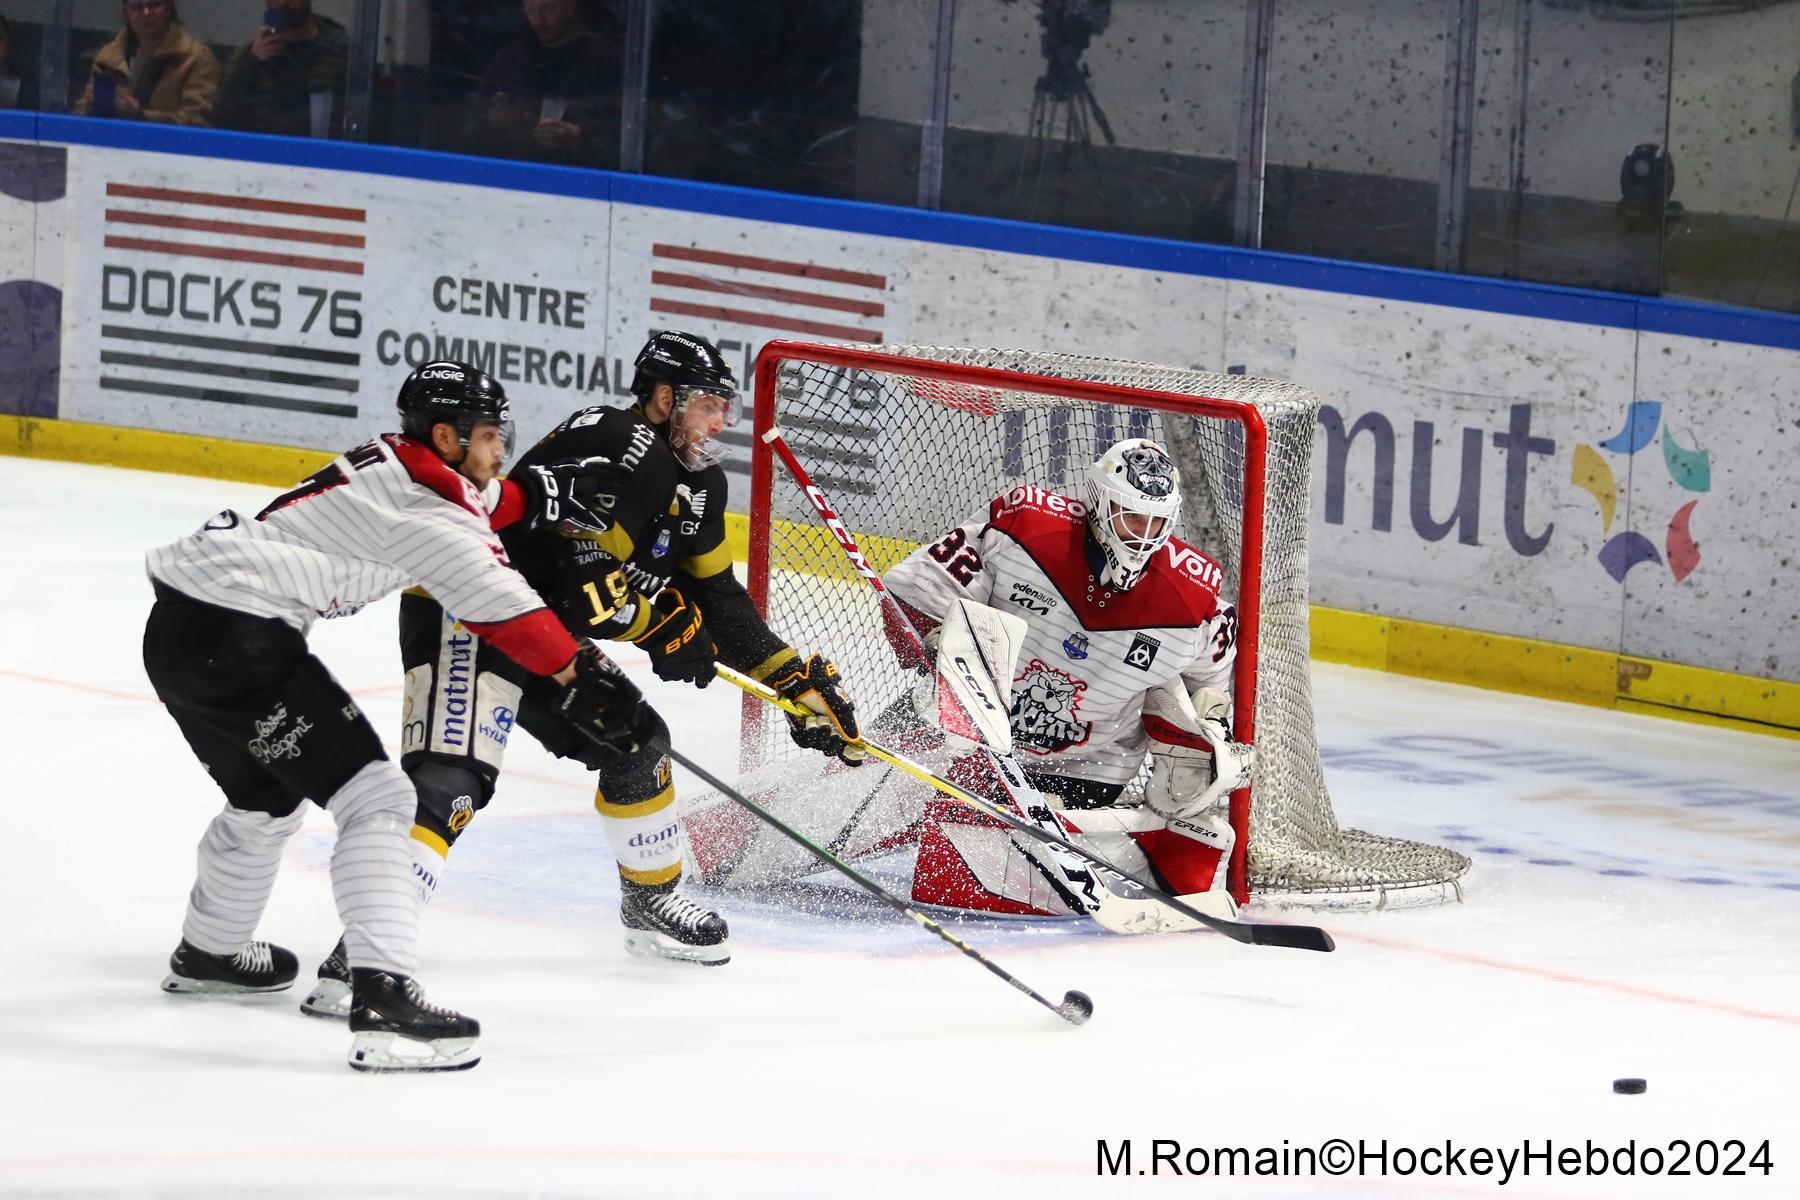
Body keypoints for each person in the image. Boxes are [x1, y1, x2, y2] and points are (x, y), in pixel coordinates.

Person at [298, 331, 863, 1017]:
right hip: (467, 607)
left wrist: (791, 680)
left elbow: (719, 604)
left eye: (726, 407)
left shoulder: (700, 485)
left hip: (540, 630)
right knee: (450, 783)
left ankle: (650, 897)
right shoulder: (614, 441)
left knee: (636, 742)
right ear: (664, 398)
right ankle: (365, 953)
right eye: (709, 405)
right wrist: (658, 627)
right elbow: (577, 581)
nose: (720, 423)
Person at [144, 360, 650, 1072]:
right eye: (486, 434)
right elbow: (510, 615)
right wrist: (590, 680)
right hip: (240, 636)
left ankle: (211, 949)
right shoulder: (430, 519)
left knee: (266, 794)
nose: (500, 445)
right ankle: (384, 996)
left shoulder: (389, 460)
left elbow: (474, 500)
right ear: (445, 436)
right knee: (381, 798)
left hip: (177, 631)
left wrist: (536, 496)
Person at [882, 437, 1253, 919]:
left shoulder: (1191, 599)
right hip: (967, 741)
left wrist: (1212, 725)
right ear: (1100, 504)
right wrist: (929, 641)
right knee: (848, 782)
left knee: (966, 850)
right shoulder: (1024, 535)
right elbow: (912, 590)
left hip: (1088, 768)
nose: (1144, 534)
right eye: (1132, 516)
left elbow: (1211, 684)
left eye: (1157, 521)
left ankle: (1127, 848)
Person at [463, 0, 621, 167]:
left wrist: (580, 133)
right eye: (530, 10)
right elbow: (470, 129)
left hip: (584, 178)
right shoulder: (509, 60)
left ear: (570, 6)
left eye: (548, 8)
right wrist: (492, 120)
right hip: (514, 174)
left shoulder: (605, 59)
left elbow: (628, 129)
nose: (539, 20)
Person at [212, 0, 346, 137]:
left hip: (326, 153)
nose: (283, 3)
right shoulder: (248, 58)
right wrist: (250, 62)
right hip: (261, 152)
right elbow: (220, 120)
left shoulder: (340, 53)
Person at [73, 0, 219, 125]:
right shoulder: (108, 57)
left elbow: (198, 121)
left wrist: (140, 116)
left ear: (168, 8)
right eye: (137, 6)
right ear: (126, 13)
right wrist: (91, 107)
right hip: (113, 148)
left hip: (171, 153)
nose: (146, 12)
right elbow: (79, 114)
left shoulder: (196, 58)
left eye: (154, 5)